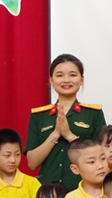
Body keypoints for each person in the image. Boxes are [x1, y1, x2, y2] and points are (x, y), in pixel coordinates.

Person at [26, 54, 107, 190]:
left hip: (83, 190)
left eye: (73, 75)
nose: (66, 80)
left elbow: (102, 157)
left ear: (82, 80)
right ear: (51, 80)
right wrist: (55, 134)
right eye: (59, 75)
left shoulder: (94, 114)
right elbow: (32, 163)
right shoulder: (39, 116)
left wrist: (69, 136)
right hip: (48, 194)